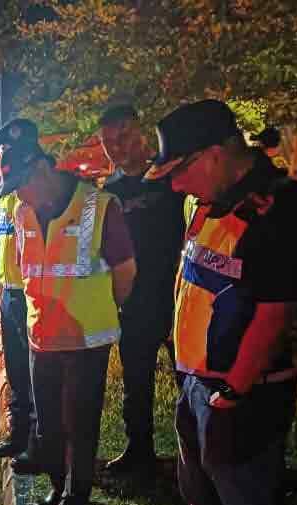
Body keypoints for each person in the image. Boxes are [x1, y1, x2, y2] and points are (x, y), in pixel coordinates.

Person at [138, 100, 297, 505]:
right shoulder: (211, 200)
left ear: (216, 153)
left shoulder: (285, 209)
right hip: (197, 380)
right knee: (199, 489)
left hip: (246, 391)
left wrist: (235, 391)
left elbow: (274, 314)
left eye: (181, 173)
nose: (176, 189)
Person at [0, 118, 137, 505]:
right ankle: (60, 490)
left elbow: (126, 274)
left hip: (86, 340)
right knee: (50, 424)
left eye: (23, 183)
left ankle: (77, 502)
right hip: (43, 337)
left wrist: (100, 308)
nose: (20, 194)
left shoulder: (100, 206)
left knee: (80, 423)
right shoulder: (23, 212)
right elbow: (26, 268)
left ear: (41, 169)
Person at [97, 103, 186, 476]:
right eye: (108, 142)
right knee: (136, 381)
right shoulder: (111, 190)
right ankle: (139, 450)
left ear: (141, 133)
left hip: (178, 297)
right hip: (135, 301)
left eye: (124, 137)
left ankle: (193, 457)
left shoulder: (171, 179)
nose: (117, 147)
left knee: (189, 381)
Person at [0, 124, 37, 460]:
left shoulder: (36, 192)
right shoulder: (3, 195)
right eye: (1, 151)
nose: (5, 157)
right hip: (10, 294)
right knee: (17, 370)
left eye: (10, 151)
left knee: (37, 374)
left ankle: (39, 442)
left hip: (35, 295)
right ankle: (18, 436)